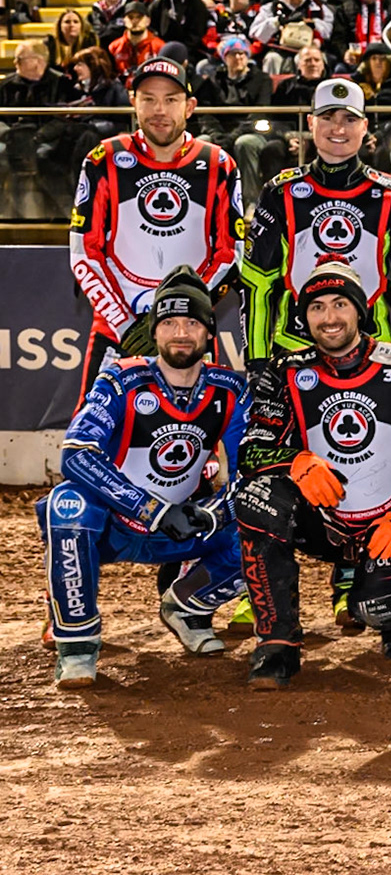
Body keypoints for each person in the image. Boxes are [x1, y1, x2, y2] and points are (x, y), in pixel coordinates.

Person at [38, 268, 250, 688]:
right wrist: (151, 510)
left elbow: (254, 471)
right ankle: (78, 645)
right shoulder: (120, 379)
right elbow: (76, 455)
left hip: (184, 528)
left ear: (210, 332)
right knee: (67, 504)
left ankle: (187, 605)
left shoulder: (230, 390)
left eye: (193, 322)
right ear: (154, 332)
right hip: (116, 524)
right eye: (169, 322)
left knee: (266, 514)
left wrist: (212, 514)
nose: (181, 332)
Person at [234, 261, 391, 688]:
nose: (329, 318)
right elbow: (251, 452)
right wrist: (296, 462)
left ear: (360, 311)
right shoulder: (284, 371)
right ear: (303, 318)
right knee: (256, 498)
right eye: (317, 308)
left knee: (377, 606)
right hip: (322, 522)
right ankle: (277, 645)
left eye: (340, 304)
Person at [69, 57, 242, 404]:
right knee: (93, 441)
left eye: (171, 100)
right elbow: (83, 253)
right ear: (133, 102)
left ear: (190, 106)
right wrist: (127, 327)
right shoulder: (103, 159)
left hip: (190, 331)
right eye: (148, 98)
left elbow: (231, 253)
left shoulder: (219, 164)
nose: (159, 110)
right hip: (118, 328)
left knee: (198, 441)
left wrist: (183, 313)